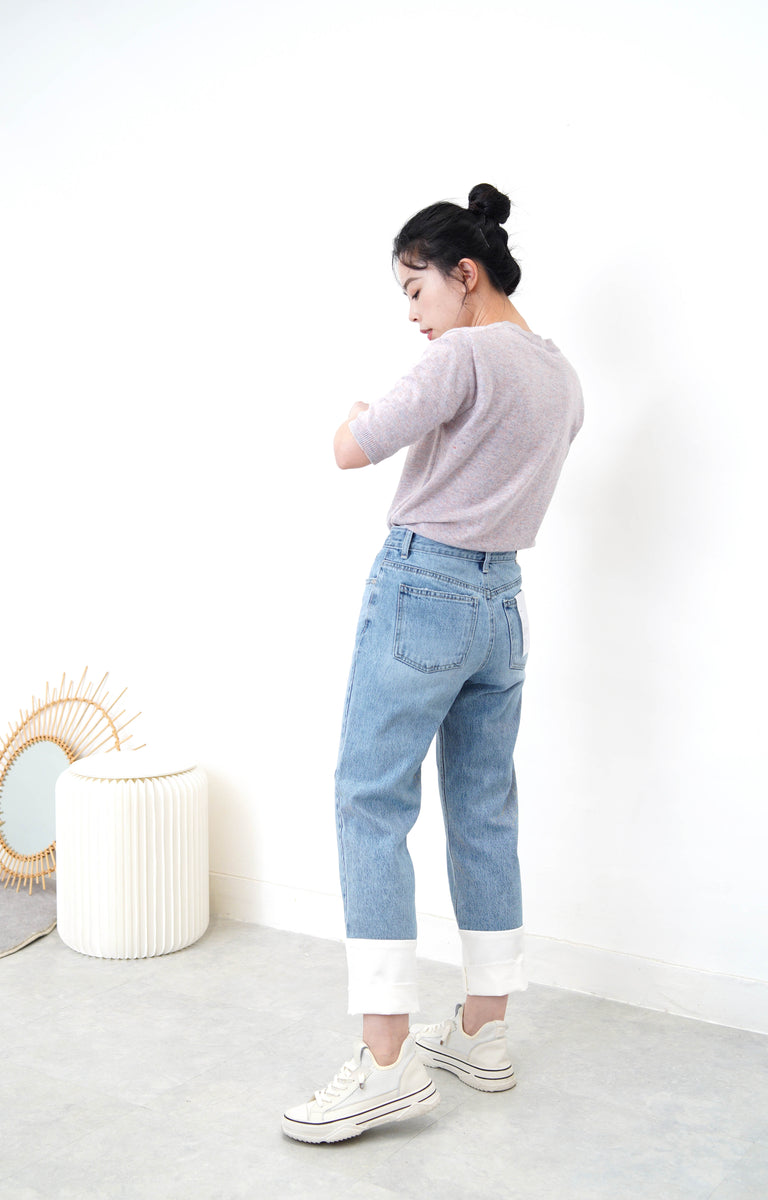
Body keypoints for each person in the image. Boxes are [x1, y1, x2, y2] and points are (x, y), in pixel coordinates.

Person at [282, 183, 584, 1143]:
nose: (412, 315)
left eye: (416, 291)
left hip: (424, 593)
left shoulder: (463, 356)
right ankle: (483, 1034)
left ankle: (383, 1063)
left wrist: (359, 410)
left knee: (370, 802)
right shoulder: (561, 373)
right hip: (503, 606)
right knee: (484, 807)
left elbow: (352, 447)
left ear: (466, 275)